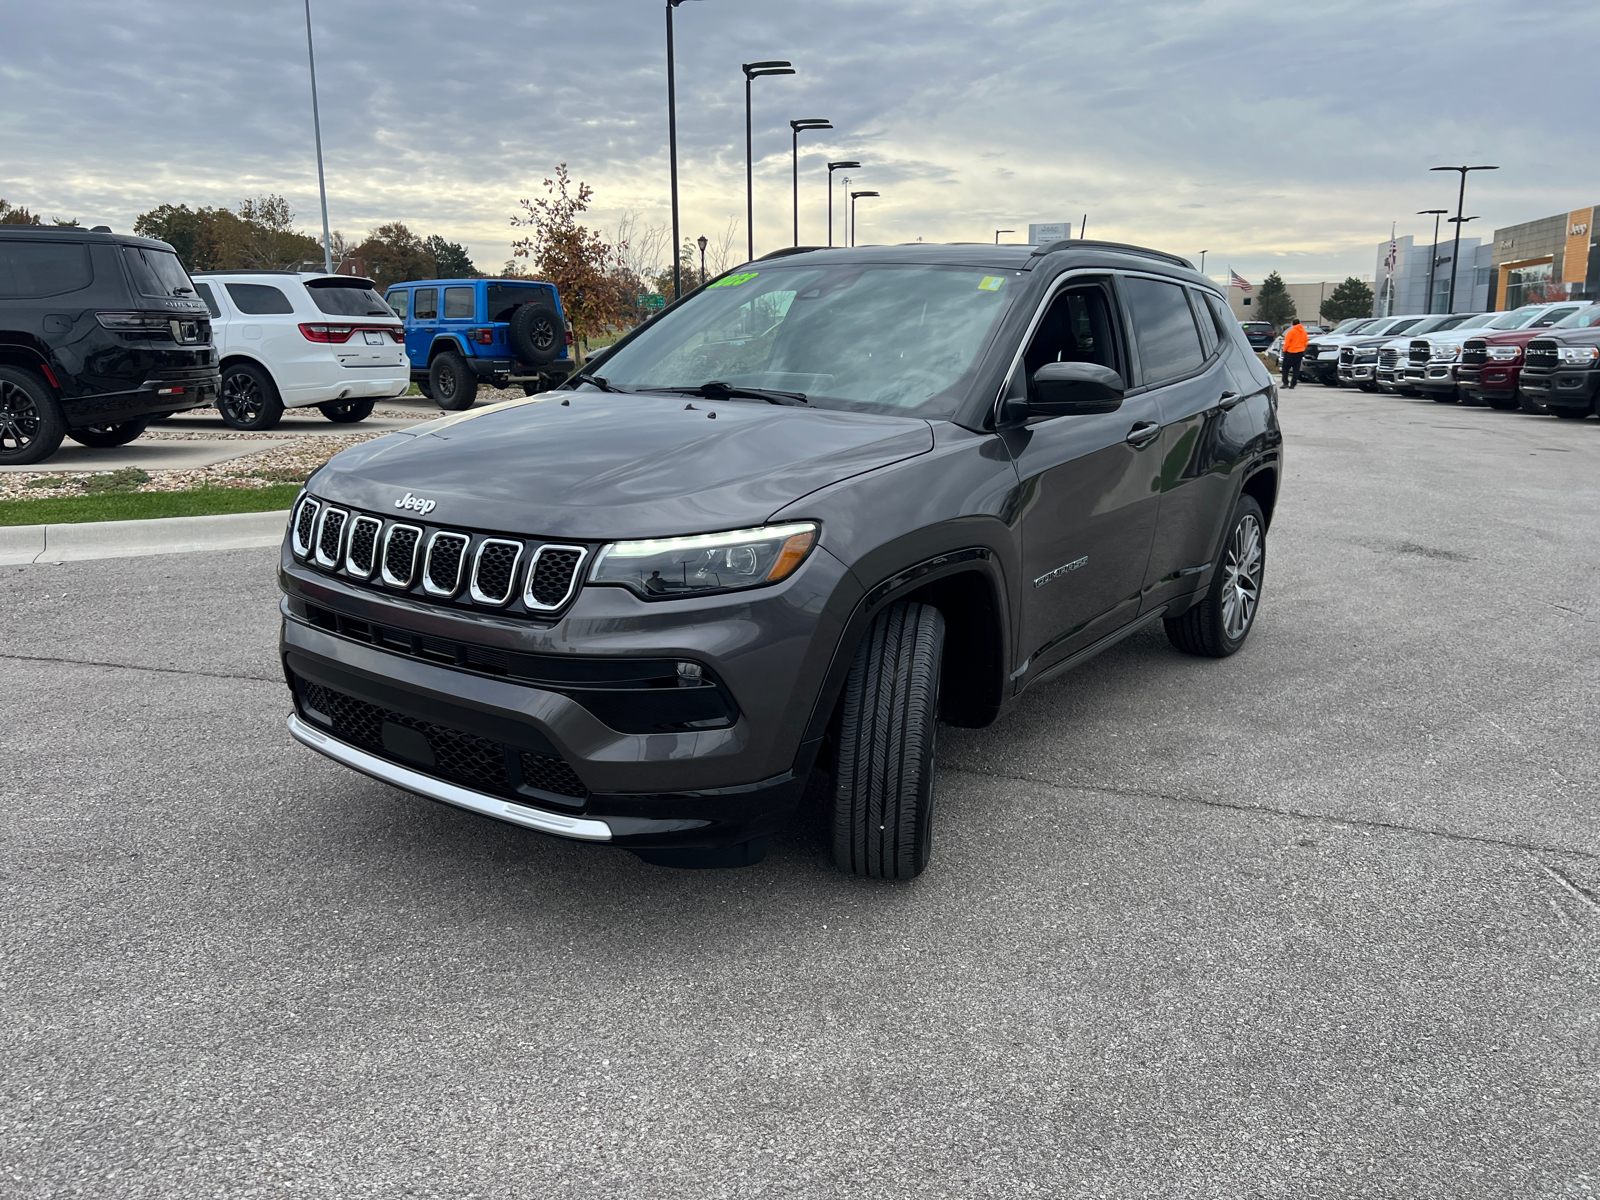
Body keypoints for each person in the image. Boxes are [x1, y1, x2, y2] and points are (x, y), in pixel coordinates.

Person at [1280, 317, 1308, 388]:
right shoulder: (1304, 332)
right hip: (1300, 352)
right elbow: (1306, 342)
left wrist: (1285, 350)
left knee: (1285, 368)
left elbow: (1287, 342)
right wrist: (1303, 349)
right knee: (1296, 369)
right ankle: (1293, 384)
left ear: (1293, 324)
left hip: (1290, 352)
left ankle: (1285, 383)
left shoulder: (1291, 332)